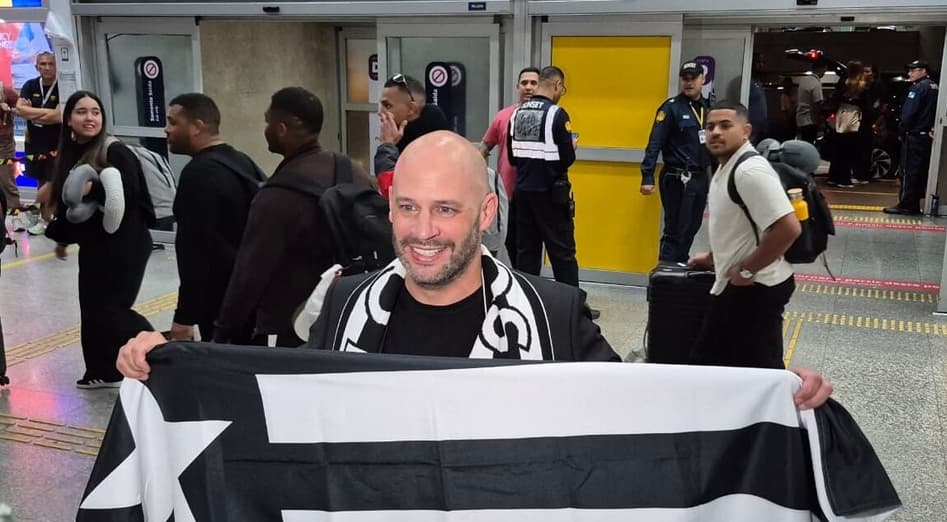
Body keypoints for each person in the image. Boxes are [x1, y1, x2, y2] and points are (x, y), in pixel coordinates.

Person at [117, 131, 833, 410]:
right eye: (407, 208)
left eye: (447, 210)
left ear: (488, 210)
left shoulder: (553, 314)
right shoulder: (343, 305)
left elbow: (640, 407)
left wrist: (770, 401)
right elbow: (282, 401)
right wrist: (174, 362)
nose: (423, 233)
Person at [212, 86, 373, 347]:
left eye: (268, 122)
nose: (265, 129)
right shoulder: (354, 171)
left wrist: (224, 332)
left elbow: (250, 273)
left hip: (290, 327)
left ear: (282, 129)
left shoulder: (277, 196)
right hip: (347, 317)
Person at [46, 91, 156, 389]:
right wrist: (61, 239)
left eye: (95, 112)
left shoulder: (114, 151)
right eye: (81, 112)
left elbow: (129, 197)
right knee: (93, 309)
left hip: (124, 244)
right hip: (97, 246)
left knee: (111, 310)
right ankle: (103, 371)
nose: (90, 118)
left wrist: (93, 191)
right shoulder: (74, 152)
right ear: (69, 118)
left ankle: (161, 351)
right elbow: (72, 207)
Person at [688, 101, 802, 370]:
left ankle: (770, 412)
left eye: (726, 126)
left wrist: (748, 271)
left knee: (757, 371)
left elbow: (788, 227)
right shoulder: (726, 166)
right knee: (715, 363)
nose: (716, 132)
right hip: (739, 284)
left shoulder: (749, 171)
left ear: (746, 131)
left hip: (756, 288)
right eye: (710, 126)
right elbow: (741, 227)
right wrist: (715, 258)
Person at [164, 93, 265, 343]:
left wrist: (184, 317)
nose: (166, 130)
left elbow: (194, 252)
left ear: (196, 127)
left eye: (173, 122)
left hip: (220, 303)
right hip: (250, 294)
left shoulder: (198, 174)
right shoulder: (241, 161)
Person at [507, 66, 580, 288]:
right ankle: (571, 306)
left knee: (526, 253)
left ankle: (527, 303)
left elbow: (512, 158)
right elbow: (567, 158)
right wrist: (572, 146)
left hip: (523, 194)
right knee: (562, 253)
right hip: (551, 195)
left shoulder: (516, 114)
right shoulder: (557, 114)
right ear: (557, 85)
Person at [640, 61, 712, 264]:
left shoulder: (708, 108)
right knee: (675, 228)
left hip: (699, 176)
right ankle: (666, 270)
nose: (689, 83)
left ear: (702, 79)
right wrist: (647, 176)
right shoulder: (671, 108)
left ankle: (681, 265)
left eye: (693, 78)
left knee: (692, 226)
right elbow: (655, 142)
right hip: (677, 176)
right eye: (685, 78)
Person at [480, 66, 540, 265]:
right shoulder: (503, 116)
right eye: (524, 83)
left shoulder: (547, 117)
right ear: (517, 87)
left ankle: (531, 286)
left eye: (534, 83)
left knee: (531, 247)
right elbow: (485, 147)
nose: (529, 87)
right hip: (507, 194)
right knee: (510, 245)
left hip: (535, 194)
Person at [375, 74, 450, 197]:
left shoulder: (432, 142)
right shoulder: (400, 136)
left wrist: (386, 147)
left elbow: (391, 192)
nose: (380, 112)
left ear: (412, 109)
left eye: (387, 106)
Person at [15, 52, 61, 235]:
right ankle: (45, 217)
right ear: (37, 67)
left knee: (53, 182)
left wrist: (30, 111)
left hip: (56, 144)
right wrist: (44, 114)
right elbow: (19, 109)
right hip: (34, 143)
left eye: (51, 64)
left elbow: (58, 116)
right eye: (43, 64)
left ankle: (41, 216)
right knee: (41, 180)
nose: (47, 67)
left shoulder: (62, 87)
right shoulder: (30, 85)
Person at [884, 60, 939, 215]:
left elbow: (909, 114)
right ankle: (913, 201)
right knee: (920, 170)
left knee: (909, 171)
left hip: (914, 135)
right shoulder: (934, 87)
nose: (909, 74)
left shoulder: (918, 88)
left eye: (913, 71)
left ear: (923, 71)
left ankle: (907, 204)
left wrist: (902, 130)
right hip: (926, 134)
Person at [827, 60, 870, 189]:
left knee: (838, 149)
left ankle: (834, 177)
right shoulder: (862, 85)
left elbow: (835, 98)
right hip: (854, 117)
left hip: (841, 115)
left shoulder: (843, 82)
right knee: (849, 149)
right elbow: (867, 106)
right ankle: (844, 179)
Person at [0, 83, 21, 212]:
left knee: (6, 180)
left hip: (3, 141)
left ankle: (14, 214)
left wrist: (8, 109)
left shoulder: (5, 90)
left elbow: (23, 109)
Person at [796, 62, 826, 143]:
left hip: (801, 119)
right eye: (824, 70)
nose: (824, 72)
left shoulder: (804, 80)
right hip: (810, 120)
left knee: (803, 143)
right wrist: (822, 120)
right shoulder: (816, 83)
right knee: (809, 143)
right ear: (820, 69)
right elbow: (818, 102)